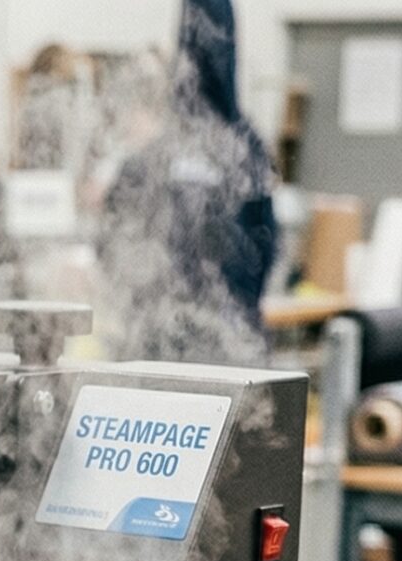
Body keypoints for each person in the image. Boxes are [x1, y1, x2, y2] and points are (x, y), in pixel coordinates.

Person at [97, 0, 280, 365]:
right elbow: (267, 246)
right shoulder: (247, 146)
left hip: (175, 345)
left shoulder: (164, 150)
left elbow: (111, 240)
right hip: (222, 344)